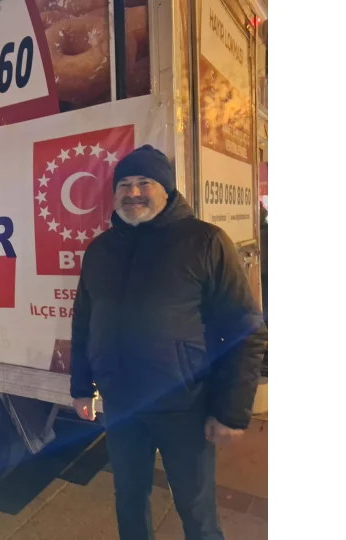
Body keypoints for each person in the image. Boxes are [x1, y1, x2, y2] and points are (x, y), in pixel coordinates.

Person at [69, 145, 267, 540]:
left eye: (145, 182)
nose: (133, 192)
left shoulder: (205, 241)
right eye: (124, 184)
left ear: (167, 189)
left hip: (184, 406)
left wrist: (232, 411)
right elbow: (84, 323)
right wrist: (81, 387)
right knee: (129, 500)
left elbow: (246, 329)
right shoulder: (100, 250)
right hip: (122, 406)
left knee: (197, 513)